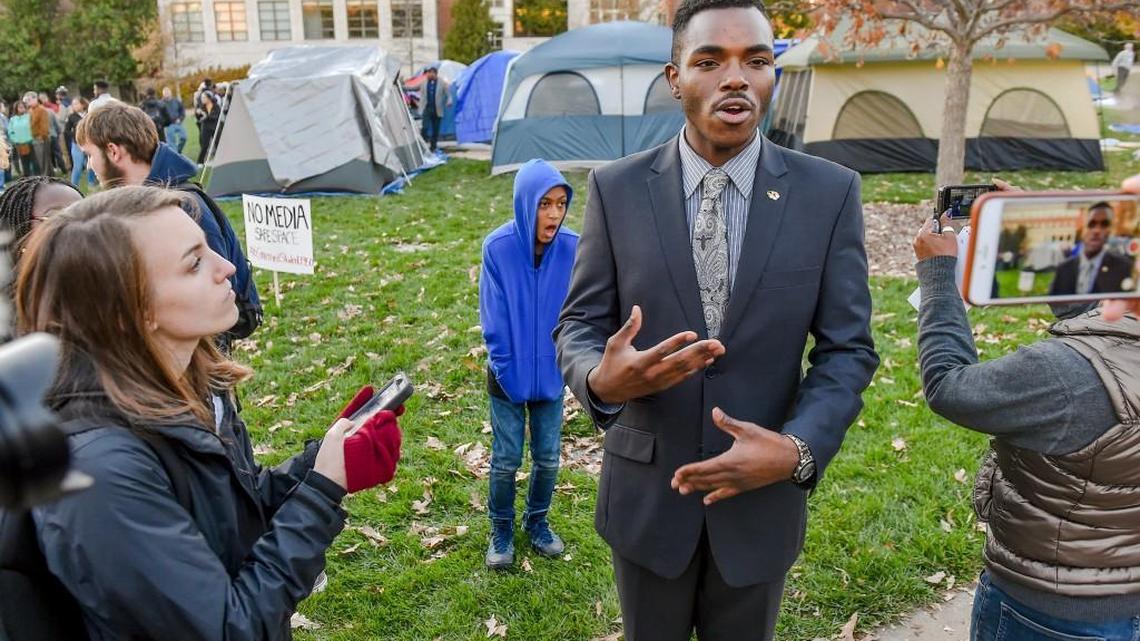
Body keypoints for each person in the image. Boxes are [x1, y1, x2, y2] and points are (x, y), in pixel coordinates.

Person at [553, 0, 879, 637]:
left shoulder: (829, 193)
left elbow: (848, 350)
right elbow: (580, 323)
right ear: (675, 78)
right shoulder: (616, 189)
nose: (736, 78)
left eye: (755, 60)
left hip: (760, 504)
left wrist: (797, 449)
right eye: (710, 61)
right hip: (648, 502)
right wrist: (597, 380)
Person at [9, 185, 403, 639]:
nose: (226, 266)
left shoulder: (186, 388)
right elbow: (227, 629)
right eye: (194, 263)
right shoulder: (101, 473)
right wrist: (319, 493)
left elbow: (228, 518)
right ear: (128, 309)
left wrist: (319, 465)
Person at [912, 192, 1140, 641]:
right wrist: (1044, 240)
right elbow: (1099, 320)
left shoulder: (1064, 375)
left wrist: (937, 276)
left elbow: (948, 387)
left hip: (1050, 613)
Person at [76, 101, 263, 348]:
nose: (89, 166)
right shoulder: (145, 203)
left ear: (113, 151)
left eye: (90, 155)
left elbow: (214, 293)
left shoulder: (183, 206)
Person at [479, 158, 578, 569]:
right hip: (507, 377)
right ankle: (500, 528)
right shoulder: (497, 248)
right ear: (525, 203)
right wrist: (508, 372)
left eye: (560, 204)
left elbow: (578, 313)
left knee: (549, 457)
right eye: (544, 204)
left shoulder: (573, 247)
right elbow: (494, 322)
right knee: (506, 459)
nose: (554, 214)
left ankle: (537, 521)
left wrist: (564, 365)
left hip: (552, 377)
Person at [1048, 202, 1132, 296]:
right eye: (1091, 224)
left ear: (1110, 230)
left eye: (1104, 225)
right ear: (1083, 229)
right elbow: (1053, 302)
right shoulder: (1063, 269)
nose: (1096, 230)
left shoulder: (1123, 268)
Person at [65, 97, 96, 188]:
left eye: (76, 103)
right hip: (77, 144)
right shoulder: (71, 117)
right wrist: (75, 136)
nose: (74, 106)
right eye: (73, 104)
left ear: (82, 104)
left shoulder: (89, 114)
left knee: (91, 164)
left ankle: (91, 183)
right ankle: (73, 186)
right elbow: (66, 131)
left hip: (89, 143)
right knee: (77, 166)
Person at [420, 67, 450, 152]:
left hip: (437, 109)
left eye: (430, 73)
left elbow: (448, 93)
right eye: (428, 73)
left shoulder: (442, 83)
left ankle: (433, 147)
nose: (428, 75)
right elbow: (415, 88)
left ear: (435, 74)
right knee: (424, 127)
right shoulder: (424, 82)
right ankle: (422, 145)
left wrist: (449, 100)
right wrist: (404, 87)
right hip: (427, 108)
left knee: (435, 130)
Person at [6, 101, 37, 177]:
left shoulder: (29, 116)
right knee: (24, 163)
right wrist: (15, 140)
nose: (21, 108)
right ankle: (28, 178)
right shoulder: (13, 119)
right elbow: (10, 132)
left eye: (23, 107)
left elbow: (34, 128)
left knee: (35, 162)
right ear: (16, 108)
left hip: (31, 143)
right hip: (19, 144)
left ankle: (37, 177)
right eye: (19, 107)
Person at [25, 93, 51, 177]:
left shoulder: (41, 110)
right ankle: (47, 176)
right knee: (40, 159)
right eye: (27, 100)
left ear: (35, 99)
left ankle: (46, 176)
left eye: (29, 100)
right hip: (34, 137)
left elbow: (45, 125)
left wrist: (42, 136)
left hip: (41, 137)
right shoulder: (30, 111)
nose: (28, 102)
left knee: (43, 159)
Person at [162, 86, 188, 153]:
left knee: (184, 137)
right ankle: (176, 154)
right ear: (163, 94)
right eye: (165, 93)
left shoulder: (176, 101)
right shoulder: (161, 103)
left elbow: (182, 111)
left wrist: (180, 119)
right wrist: (164, 123)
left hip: (178, 122)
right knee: (171, 142)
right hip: (168, 125)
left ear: (170, 93)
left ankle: (178, 151)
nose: (167, 94)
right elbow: (160, 115)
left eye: (168, 92)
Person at [198, 91, 220, 166]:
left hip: (215, 127)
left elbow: (215, 117)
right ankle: (200, 162)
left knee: (218, 144)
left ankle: (221, 159)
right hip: (205, 127)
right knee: (204, 145)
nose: (202, 99)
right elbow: (199, 118)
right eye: (201, 97)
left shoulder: (216, 106)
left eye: (204, 97)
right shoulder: (201, 107)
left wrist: (205, 116)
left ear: (209, 98)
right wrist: (199, 114)